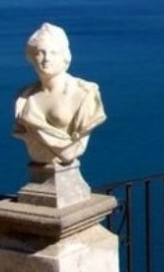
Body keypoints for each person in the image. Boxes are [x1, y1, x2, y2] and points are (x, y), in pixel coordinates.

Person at [13, 23, 106, 166]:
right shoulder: (24, 97)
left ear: (64, 56)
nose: (46, 59)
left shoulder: (84, 93)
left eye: (53, 53)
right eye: (40, 52)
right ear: (31, 57)